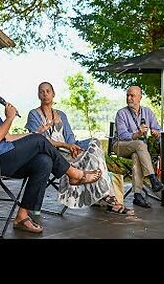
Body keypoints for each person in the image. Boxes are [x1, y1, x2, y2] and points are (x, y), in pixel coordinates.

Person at [0, 69, 102, 234]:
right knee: (39, 142)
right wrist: (10, 118)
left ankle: (22, 217)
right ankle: (74, 174)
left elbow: (7, 137)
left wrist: (35, 134)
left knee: (43, 161)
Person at [25, 81, 134, 215]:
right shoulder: (34, 114)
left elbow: (70, 136)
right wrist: (67, 145)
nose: (45, 94)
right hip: (53, 154)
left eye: (48, 91)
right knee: (93, 160)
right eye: (42, 91)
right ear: (38, 95)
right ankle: (109, 198)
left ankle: (105, 196)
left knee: (95, 143)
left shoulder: (61, 115)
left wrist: (74, 148)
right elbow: (40, 141)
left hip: (69, 150)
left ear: (53, 94)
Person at [113, 85, 164, 208]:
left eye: (132, 95)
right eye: (128, 95)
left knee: (137, 154)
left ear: (140, 98)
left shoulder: (147, 112)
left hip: (139, 149)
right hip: (120, 145)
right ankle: (153, 179)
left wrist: (157, 133)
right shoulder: (121, 113)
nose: (129, 98)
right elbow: (122, 135)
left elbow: (158, 129)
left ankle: (137, 195)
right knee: (140, 144)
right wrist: (138, 133)